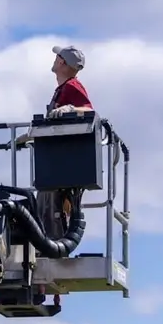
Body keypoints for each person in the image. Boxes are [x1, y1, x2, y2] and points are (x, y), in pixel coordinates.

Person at [38, 45, 94, 240]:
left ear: (61, 62)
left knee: (53, 212)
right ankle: (47, 245)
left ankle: (53, 249)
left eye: (57, 57)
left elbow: (89, 111)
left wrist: (71, 108)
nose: (54, 60)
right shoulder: (62, 88)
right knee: (44, 210)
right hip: (55, 164)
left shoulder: (72, 86)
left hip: (61, 168)